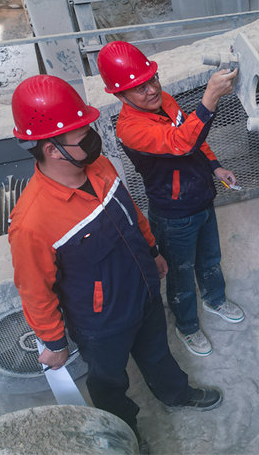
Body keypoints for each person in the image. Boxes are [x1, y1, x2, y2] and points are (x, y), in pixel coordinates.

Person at [7, 75, 221, 444]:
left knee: (157, 352)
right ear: (52, 150)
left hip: (143, 288)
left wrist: (152, 251)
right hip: (101, 320)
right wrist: (54, 342)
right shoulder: (32, 222)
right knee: (109, 381)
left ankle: (176, 393)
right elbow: (34, 289)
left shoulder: (100, 166)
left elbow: (130, 213)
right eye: (82, 134)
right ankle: (124, 434)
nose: (93, 137)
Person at [97, 40, 245, 357]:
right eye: (139, 88)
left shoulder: (164, 100)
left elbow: (195, 137)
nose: (152, 89)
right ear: (120, 95)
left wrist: (216, 167)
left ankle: (215, 299)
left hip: (202, 197)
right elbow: (180, 143)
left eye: (152, 79)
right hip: (175, 214)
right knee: (180, 273)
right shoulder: (130, 129)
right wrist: (210, 98)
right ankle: (187, 326)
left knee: (210, 259)